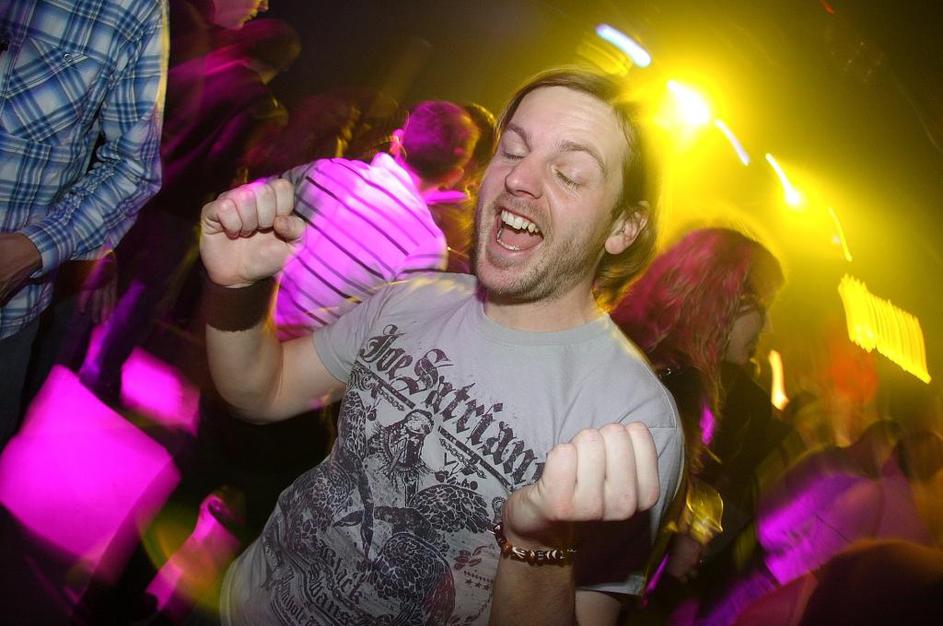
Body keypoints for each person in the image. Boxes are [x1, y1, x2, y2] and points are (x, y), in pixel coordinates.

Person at [198, 68, 683, 625]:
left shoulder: (633, 418)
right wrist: (239, 288)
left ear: (623, 228)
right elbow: (261, 392)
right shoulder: (412, 298)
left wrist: (538, 546)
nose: (519, 178)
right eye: (513, 150)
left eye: (569, 174)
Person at [0, 0, 167, 439]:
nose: (261, 5)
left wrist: (35, 248)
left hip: (11, 305)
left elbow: (134, 166)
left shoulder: (135, 10)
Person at [610, 228, 786, 610]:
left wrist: (676, 525)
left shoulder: (639, 353)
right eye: (764, 304)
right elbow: (612, 553)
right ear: (724, 297)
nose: (769, 326)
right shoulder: (678, 389)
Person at [273, 99, 480, 339]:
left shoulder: (325, 171)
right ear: (454, 176)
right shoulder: (427, 246)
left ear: (396, 140)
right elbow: (385, 334)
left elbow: (250, 203)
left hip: (243, 321)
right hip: (299, 353)